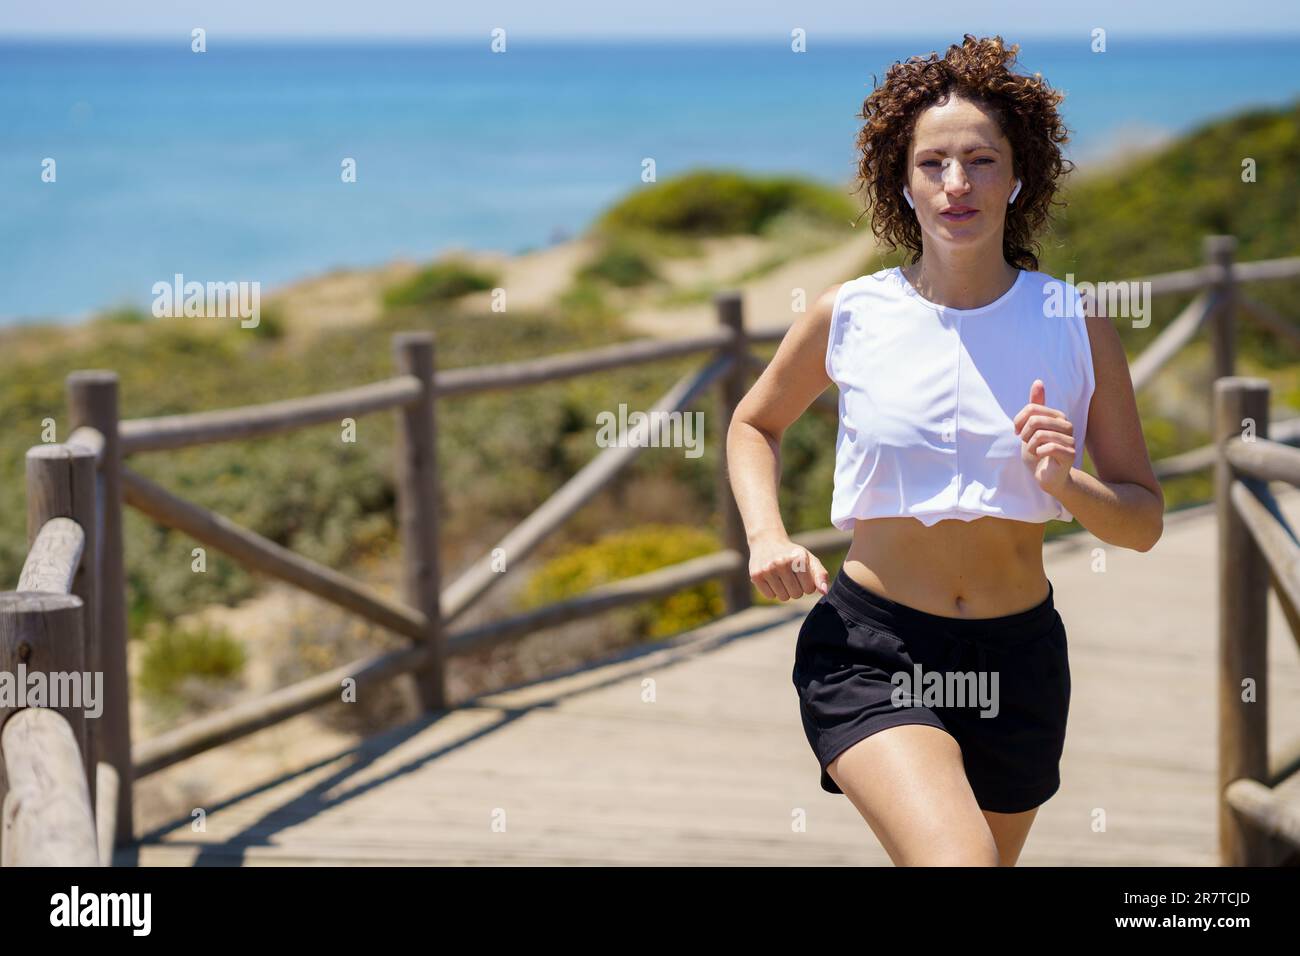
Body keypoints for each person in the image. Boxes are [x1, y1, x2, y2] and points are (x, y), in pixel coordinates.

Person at [725, 35, 1164, 866]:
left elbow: (1142, 523)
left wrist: (1065, 483)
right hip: (874, 650)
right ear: (903, 178)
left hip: (1019, 660)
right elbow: (755, 424)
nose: (956, 184)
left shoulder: (1076, 322)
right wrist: (765, 535)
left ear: (1019, 175)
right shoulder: (849, 314)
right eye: (933, 163)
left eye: (980, 160)